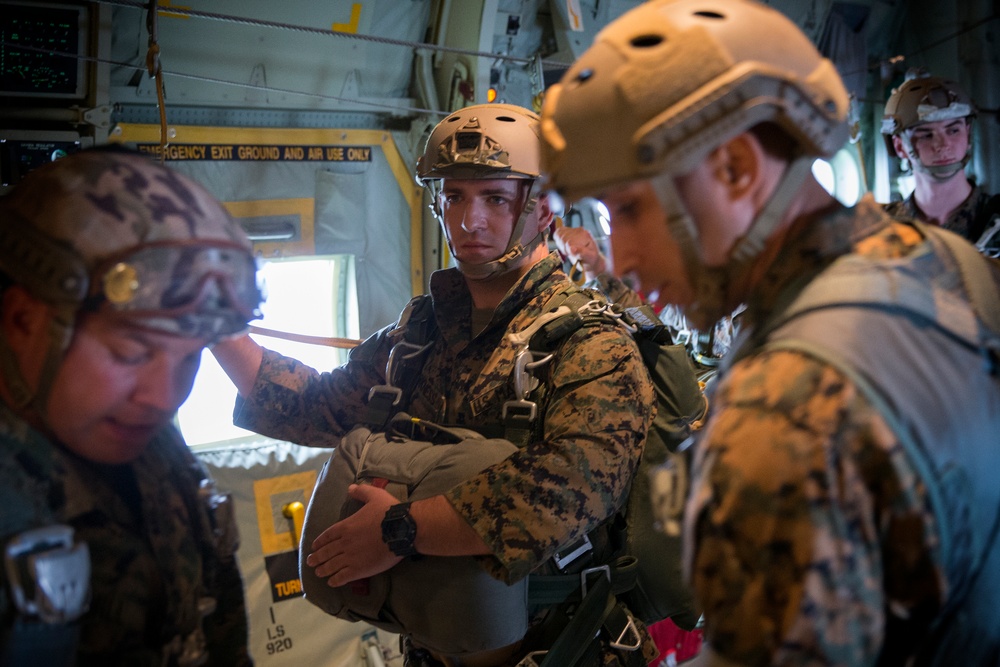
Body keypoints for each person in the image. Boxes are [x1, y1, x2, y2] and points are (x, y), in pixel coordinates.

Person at [539, 0, 1000, 665]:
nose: (627, 257)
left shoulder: (784, 404)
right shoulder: (945, 265)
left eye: (631, 209)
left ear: (735, 170)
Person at [211, 103, 657, 666]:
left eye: (495, 198)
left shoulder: (590, 343)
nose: (469, 220)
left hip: (568, 649)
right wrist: (215, 325)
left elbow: (571, 488)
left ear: (543, 207)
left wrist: (398, 531)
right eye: (454, 197)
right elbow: (315, 407)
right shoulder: (420, 333)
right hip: (438, 646)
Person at [0, 148, 259, 665]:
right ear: (24, 321)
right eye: (131, 352)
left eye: (190, 358)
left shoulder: (154, 452)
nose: (164, 398)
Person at [881, 68, 1000, 255]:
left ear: (967, 134)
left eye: (953, 131)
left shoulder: (995, 221)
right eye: (926, 135)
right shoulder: (882, 231)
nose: (943, 145)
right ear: (899, 147)